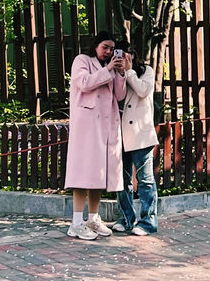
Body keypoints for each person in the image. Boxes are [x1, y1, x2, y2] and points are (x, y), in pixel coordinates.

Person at [65, 31, 126, 240]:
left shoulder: (109, 67)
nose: (108, 52)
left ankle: (92, 217)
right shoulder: (82, 61)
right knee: (83, 172)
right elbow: (84, 83)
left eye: (111, 48)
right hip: (87, 126)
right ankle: (75, 222)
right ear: (96, 45)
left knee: (99, 174)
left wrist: (120, 72)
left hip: (106, 126)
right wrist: (108, 69)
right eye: (105, 47)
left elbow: (120, 95)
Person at [111, 41, 159, 236]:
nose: (124, 58)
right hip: (119, 134)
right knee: (122, 180)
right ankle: (126, 217)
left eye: (127, 53)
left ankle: (148, 221)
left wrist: (129, 72)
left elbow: (143, 91)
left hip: (141, 135)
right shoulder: (114, 72)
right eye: (120, 54)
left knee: (145, 180)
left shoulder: (145, 70)